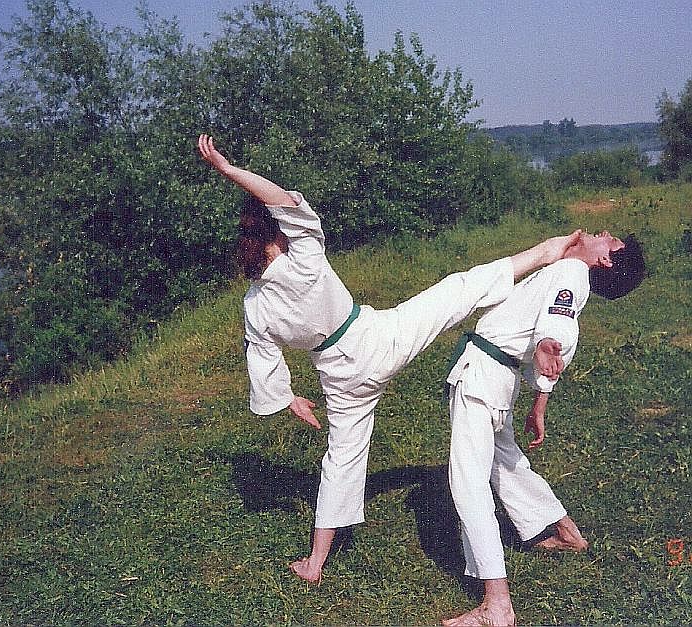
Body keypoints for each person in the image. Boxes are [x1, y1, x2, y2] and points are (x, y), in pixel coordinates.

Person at [197, 133, 581, 584]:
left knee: (341, 459)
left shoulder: (255, 305)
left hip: (339, 376)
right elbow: (283, 199)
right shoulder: (303, 259)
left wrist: (288, 399)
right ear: (277, 230)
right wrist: (229, 170)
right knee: (456, 290)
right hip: (375, 340)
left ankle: (315, 563)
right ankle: (545, 252)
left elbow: (263, 359)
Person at [442, 231, 645, 626]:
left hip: (482, 377)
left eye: (612, 242)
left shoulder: (571, 272)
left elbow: (557, 326)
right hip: (497, 377)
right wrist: (541, 399)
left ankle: (497, 605)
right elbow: (554, 323)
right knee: (505, 463)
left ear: (604, 261)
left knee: (468, 484)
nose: (604, 234)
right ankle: (564, 530)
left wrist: (549, 343)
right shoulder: (567, 272)